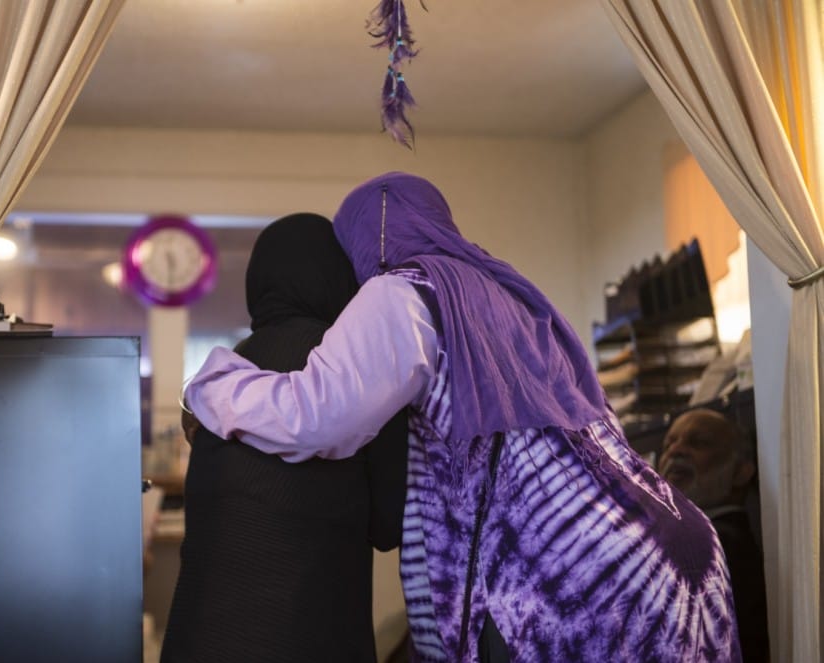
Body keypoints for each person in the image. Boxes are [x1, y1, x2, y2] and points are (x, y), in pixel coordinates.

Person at [185, 172, 741, 662]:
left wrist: (212, 386)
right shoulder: (507, 295)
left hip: (568, 575)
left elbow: (317, 415)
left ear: (372, 238)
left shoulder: (402, 293)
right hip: (668, 544)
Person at [161, 213, 408, 663]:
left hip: (200, 640)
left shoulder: (219, 376)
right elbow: (388, 527)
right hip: (308, 638)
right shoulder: (358, 376)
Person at [660, 408, 769, 662]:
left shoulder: (718, 545)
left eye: (698, 443)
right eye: (668, 444)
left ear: (742, 472)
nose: (676, 450)